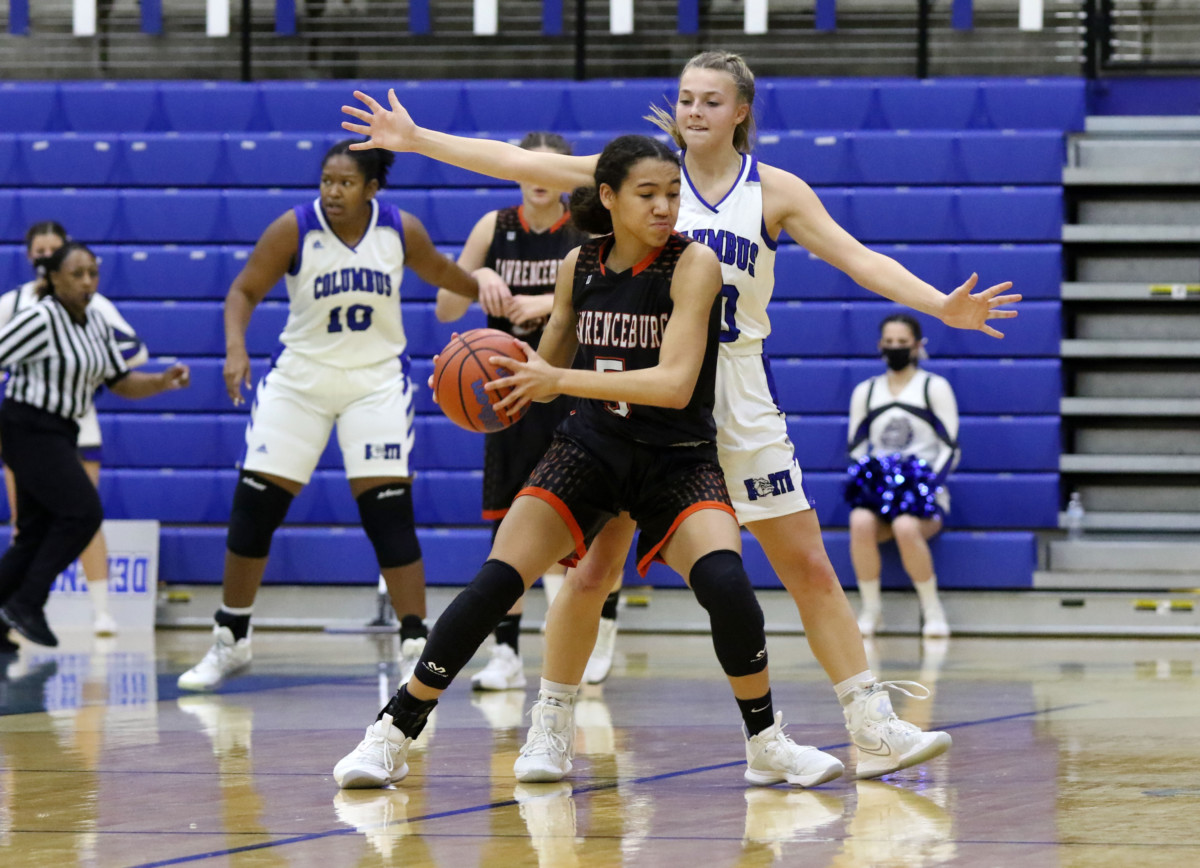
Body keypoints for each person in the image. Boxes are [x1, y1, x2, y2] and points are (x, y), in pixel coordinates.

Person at [340, 50, 1018, 781]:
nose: (694, 111)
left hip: (735, 395)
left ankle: (870, 725)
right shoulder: (646, 175)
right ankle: (552, 725)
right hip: (639, 395)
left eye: (711, 101)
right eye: (687, 98)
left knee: (809, 569)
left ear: (740, 112)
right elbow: (514, 162)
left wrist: (939, 304)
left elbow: (858, 260)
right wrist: (419, 141)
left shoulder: (775, 192)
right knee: (593, 571)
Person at [332, 134, 845, 791]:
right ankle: (394, 733)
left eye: (672, 193)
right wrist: (495, 383)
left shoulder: (696, 266)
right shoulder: (579, 266)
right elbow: (545, 361)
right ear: (608, 196)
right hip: (590, 449)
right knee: (496, 584)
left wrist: (555, 381)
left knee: (727, 587)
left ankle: (766, 743)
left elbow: (674, 384)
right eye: (648, 194)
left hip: (676, 455)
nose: (666, 206)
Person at [176, 140, 480, 692]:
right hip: (300, 382)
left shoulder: (399, 229)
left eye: (344, 182)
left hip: (374, 385)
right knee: (254, 508)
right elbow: (243, 290)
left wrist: (492, 292)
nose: (332, 191)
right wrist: (235, 348)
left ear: (371, 188)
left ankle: (417, 641)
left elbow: (440, 270)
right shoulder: (293, 228)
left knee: (388, 515)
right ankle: (231, 636)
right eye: (326, 181)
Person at [436, 131, 622, 692]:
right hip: (508, 396)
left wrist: (553, 300)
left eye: (553, 167)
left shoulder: (587, 227)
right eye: (531, 165)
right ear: (516, 170)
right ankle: (508, 655)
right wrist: (476, 277)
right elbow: (447, 306)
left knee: (589, 528)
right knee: (507, 528)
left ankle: (601, 631)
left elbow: (618, 297)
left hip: (572, 386)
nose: (541, 176)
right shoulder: (494, 228)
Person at [0, 242, 190, 648]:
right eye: (77, 273)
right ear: (52, 278)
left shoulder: (96, 322)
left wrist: (161, 381)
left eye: (93, 273)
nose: (87, 281)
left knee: (34, 531)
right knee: (83, 514)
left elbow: (118, 381)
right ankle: (27, 602)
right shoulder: (41, 317)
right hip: (26, 426)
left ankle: (3, 613)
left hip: (61, 430)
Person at [847, 313, 960, 639]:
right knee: (859, 521)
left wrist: (924, 486)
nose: (895, 348)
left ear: (917, 346)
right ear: (880, 345)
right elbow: (855, 448)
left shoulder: (933, 387)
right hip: (879, 493)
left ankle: (932, 610)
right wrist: (873, 481)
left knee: (905, 525)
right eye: (890, 342)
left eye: (902, 343)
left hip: (925, 492)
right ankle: (871, 610)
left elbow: (950, 447)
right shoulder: (866, 391)